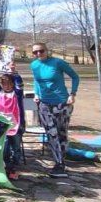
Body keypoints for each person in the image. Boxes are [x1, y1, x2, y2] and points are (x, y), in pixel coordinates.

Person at [29, 42, 80, 178]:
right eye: (35, 52)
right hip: (44, 104)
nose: (38, 54)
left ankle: (60, 162)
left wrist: (72, 94)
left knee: (61, 134)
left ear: (47, 51)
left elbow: (75, 77)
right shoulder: (34, 65)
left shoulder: (57, 63)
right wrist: (36, 93)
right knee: (51, 133)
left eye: (41, 51)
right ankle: (59, 163)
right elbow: (36, 80)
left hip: (61, 103)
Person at [0, 73, 25, 179]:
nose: (7, 86)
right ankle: (8, 166)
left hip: (16, 125)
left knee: (16, 147)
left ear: (13, 84)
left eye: (9, 83)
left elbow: (20, 84)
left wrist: (14, 73)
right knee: (5, 147)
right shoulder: (0, 92)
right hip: (3, 126)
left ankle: (15, 164)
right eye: (4, 83)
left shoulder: (17, 93)